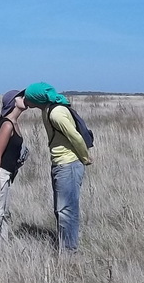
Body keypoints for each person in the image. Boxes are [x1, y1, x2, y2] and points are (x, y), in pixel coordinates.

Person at [22, 82, 93, 252]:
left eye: (29, 97)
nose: (25, 100)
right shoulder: (48, 110)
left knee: (66, 210)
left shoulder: (56, 113)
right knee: (62, 209)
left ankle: (69, 252)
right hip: (61, 164)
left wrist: (85, 158)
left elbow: (75, 137)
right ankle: (66, 247)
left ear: (37, 99)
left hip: (68, 165)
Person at [0, 89, 29, 256]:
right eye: (20, 97)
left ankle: (2, 249)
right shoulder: (7, 124)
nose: (24, 98)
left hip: (5, 174)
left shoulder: (14, 123)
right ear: (12, 103)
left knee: (4, 213)